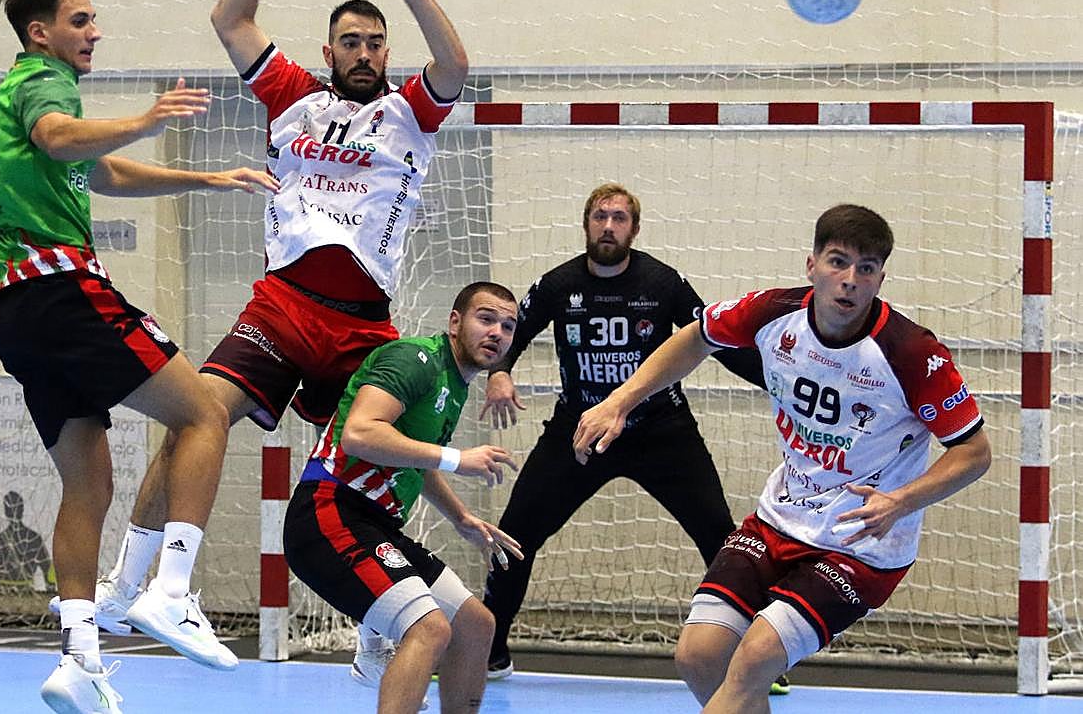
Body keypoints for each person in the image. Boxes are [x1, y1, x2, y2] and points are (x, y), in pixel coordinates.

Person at [56, 0, 470, 683]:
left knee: (384, 455)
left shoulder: (411, 113)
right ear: (328, 52)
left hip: (362, 323)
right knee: (196, 416)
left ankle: (378, 616)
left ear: (387, 54)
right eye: (349, 42)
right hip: (282, 306)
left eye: (374, 43)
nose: (363, 52)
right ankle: (129, 587)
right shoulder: (291, 95)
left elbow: (454, 62)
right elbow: (230, 19)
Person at [0, 0, 278, 713]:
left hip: (16, 311)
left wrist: (206, 180)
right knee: (203, 413)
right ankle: (169, 590)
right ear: (40, 33)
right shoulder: (43, 83)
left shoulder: (17, 96)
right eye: (80, 20)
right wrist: (148, 117)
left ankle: (79, 659)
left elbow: (101, 171)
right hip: (64, 291)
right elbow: (59, 138)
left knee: (88, 486)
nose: (95, 32)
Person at [573, 204, 992, 714]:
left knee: (756, 659)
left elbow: (974, 452)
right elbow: (697, 337)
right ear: (811, 265)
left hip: (860, 544)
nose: (849, 279)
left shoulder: (910, 353)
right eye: (837, 262)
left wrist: (900, 501)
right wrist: (620, 400)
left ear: (881, 279)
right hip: (780, 519)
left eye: (866, 268)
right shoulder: (774, 313)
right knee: (699, 656)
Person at [477, 182, 767, 681]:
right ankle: (488, 652)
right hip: (581, 432)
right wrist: (498, 373)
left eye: (619, 218)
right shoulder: (558, 285)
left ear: (634, 229)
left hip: (661, 432)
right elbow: (511, 336)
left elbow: (714, 338)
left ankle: (756, 660)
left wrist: (778, 382)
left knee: (722, 540)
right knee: (515, 536)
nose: (608, 227)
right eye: (600, 217)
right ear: (586, 224)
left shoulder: (662, 283)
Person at [284, 281, 523, 714]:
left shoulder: (454, 383)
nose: (497, 333)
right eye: (486, 319)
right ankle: (374, 648)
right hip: (329, 513)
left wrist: (461, 517)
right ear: (455, 322)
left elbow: (412, 458)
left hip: (375, 525)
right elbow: (360, 433)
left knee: (475, 625)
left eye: (508, 326)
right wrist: (457, 459)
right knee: (430, 628)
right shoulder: (415, 360)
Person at [0, 491, 54, 592]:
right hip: (12, 592)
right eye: (11, 509)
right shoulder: (32, 537)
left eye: (15, 508)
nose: (13, 512)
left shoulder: (32, 538)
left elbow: (47, 568)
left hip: (16, 592)